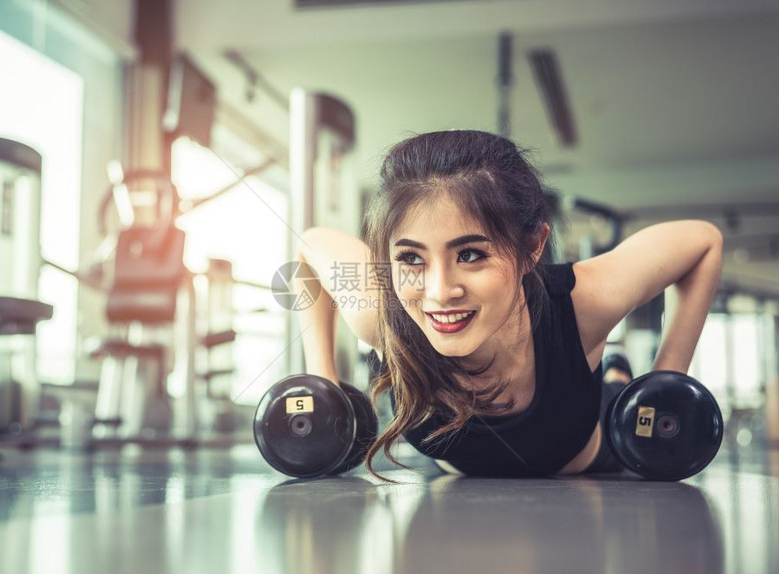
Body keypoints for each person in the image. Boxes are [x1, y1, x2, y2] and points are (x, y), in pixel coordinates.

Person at [294, 130, 723, 480]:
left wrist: (666, 381)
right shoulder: (384, 316)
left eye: (470, 255)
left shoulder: (582, 304)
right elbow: (310, 245)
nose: (440, 292)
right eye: (411, 258)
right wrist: (323, 383)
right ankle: (612, 367)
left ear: (533, 246)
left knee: (614, 388)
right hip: (461, 487)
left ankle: (614, 371)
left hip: (594, 451)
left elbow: (702, 241)